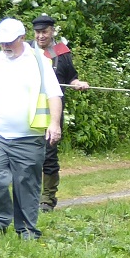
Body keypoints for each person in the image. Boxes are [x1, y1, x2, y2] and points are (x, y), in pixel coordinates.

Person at [0, 18, 63, 239]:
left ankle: (27, 229)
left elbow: (54, 95)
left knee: (26, 184)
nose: (5, 46)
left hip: (29, 137)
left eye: (9, 41)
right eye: (1, 41)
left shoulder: (39, 61)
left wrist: (54, 123)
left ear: (22, 38)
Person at [30, 14, 89, 211]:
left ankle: (47, 199)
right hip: (27, 112)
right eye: (37, 32)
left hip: (51, 113)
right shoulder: (26, 51)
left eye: (44, 32)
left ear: (52, 31)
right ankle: (27, 196)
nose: (40, 36)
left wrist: (77, 83)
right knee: (26, 156)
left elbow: (71, 77)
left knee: (49, 154)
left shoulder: (61, 53)